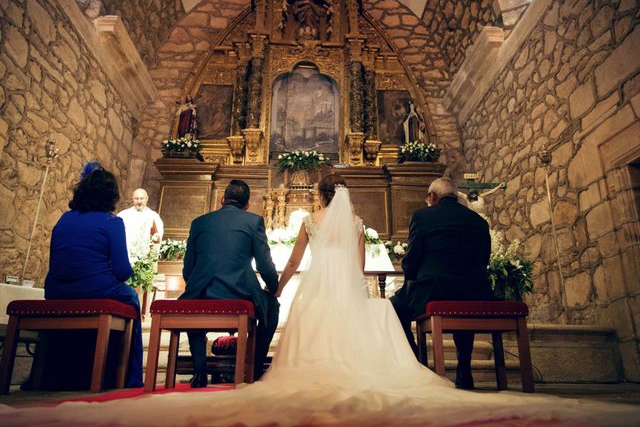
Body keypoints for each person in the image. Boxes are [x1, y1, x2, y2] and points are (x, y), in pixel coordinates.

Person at [3, 177, 639, 425]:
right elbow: (365, 268)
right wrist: (351, 289)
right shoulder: (360, 225)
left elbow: (292, 264)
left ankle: (215, 367)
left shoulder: (288, 222)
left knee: (289, 316)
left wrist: (276, 291)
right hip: (359, 290)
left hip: (281, 293)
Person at [43, 165, 143, 388]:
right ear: (111, 196)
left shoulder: (64, 219)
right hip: (96, 289)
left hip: (57, 290)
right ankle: (127, 376)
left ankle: (49, 374)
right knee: (132, 297)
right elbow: (122, 271)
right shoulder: (112, 222)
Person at [390, 177, 495, 390]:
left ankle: (418, 363)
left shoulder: (422, 216)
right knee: (461, 297)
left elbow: (411, 263)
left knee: (393, 306)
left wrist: (413, 278)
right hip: (474, 292)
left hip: (434, 291)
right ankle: (464, 369)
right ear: (455, 196)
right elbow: (484, 260)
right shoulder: (479, 221)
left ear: (432, 197)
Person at [180, 180, 279, 386]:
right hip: (241, 292)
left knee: (193, 301)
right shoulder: (253, 222)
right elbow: (264, 264)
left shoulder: (199, 222)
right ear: (247, 205)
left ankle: (200, 372)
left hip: (203, 291)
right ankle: (254, 369)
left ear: (222, 200)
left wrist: (197, 285)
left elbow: (188, 267)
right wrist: (274, 286)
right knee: (272, 309)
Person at [118, 188, 164, 263]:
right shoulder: (123, 215)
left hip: (145, 259)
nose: (139, 201)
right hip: (126, 257)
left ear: (147, 198)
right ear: (132, 198)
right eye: (136, 198)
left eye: (142, 198)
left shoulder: (154, 216)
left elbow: (157, 239)